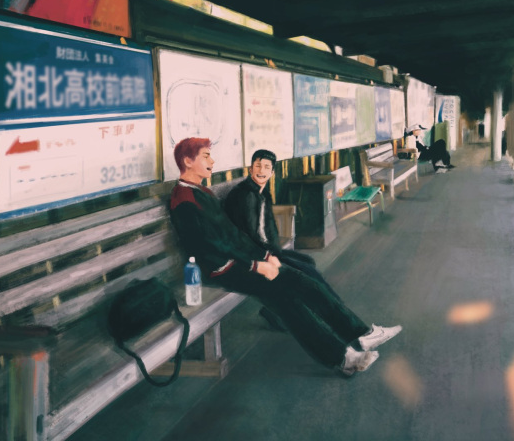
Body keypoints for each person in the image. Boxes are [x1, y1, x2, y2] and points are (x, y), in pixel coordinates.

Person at [169, 137, 401, 376]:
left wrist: (265, 256)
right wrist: (255, 265)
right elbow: (210, 246)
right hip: (218, 270)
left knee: (299, 285)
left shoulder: (200, 192)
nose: (212, 161)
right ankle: (346, 354)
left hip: (234, 263)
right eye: (206, 156)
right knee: (287, 293)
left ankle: (356, 340)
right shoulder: (184, 200)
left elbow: (233, 236)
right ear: (188, 161)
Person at [223, 148, 333, 331]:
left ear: (272, 172)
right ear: (250, 169)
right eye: (257, 166)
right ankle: (296, 316)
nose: (261, 170)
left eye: (267, 167)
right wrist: (270, 257)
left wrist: (277, 252)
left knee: (307, 262)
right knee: (304, 273)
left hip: (265, 250)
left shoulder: (262, 192)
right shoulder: (245, 196)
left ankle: (279, 312)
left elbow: (270, 228)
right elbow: (249, 235)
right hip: (248, 256)